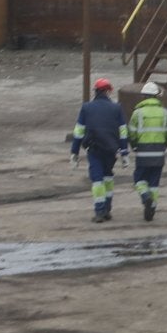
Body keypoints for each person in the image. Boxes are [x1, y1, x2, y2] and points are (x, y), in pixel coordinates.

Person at [69, 77, 129, 223]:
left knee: (97, 180)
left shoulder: (86, 108)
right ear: (108, 92)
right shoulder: (117, 108)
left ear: (95, 91)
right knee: (108, 177)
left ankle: (99, 211)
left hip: (94, 149)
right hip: (111, 149)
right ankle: (107, 208)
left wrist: (74, 152)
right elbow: (123, 132)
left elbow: (78, 131)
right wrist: (124, 152)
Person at [129, 80, 167, 222]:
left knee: (139, 179)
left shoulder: (137, 113)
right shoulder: (165, 113)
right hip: (159, 151)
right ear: (156, 96)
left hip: (143, 151)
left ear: (144, 96)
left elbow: (132, 133)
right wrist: (163, 146)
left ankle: (145, 197)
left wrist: (134, 146)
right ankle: (152, 209)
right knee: (154, 182)